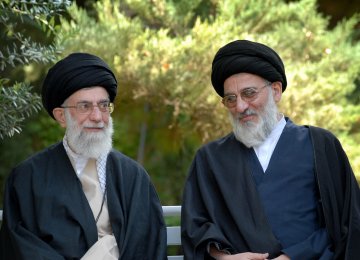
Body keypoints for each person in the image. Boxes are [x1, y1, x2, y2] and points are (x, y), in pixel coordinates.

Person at [181, 40, 360, 260]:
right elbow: (196, 226)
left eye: (249, 93)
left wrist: (291, 256)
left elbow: (344, 221)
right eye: (231, 99)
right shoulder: (210, 158)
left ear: (275, 90)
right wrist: (225, 258)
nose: (240, 107)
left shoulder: (320, 145)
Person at [0, 53, 167, 260]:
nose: (97, 117)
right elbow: (22, 250)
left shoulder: (134, 176)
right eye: (85, 106)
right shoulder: (27, 179)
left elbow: (150, 247)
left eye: (104, 106)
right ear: (62, 116)